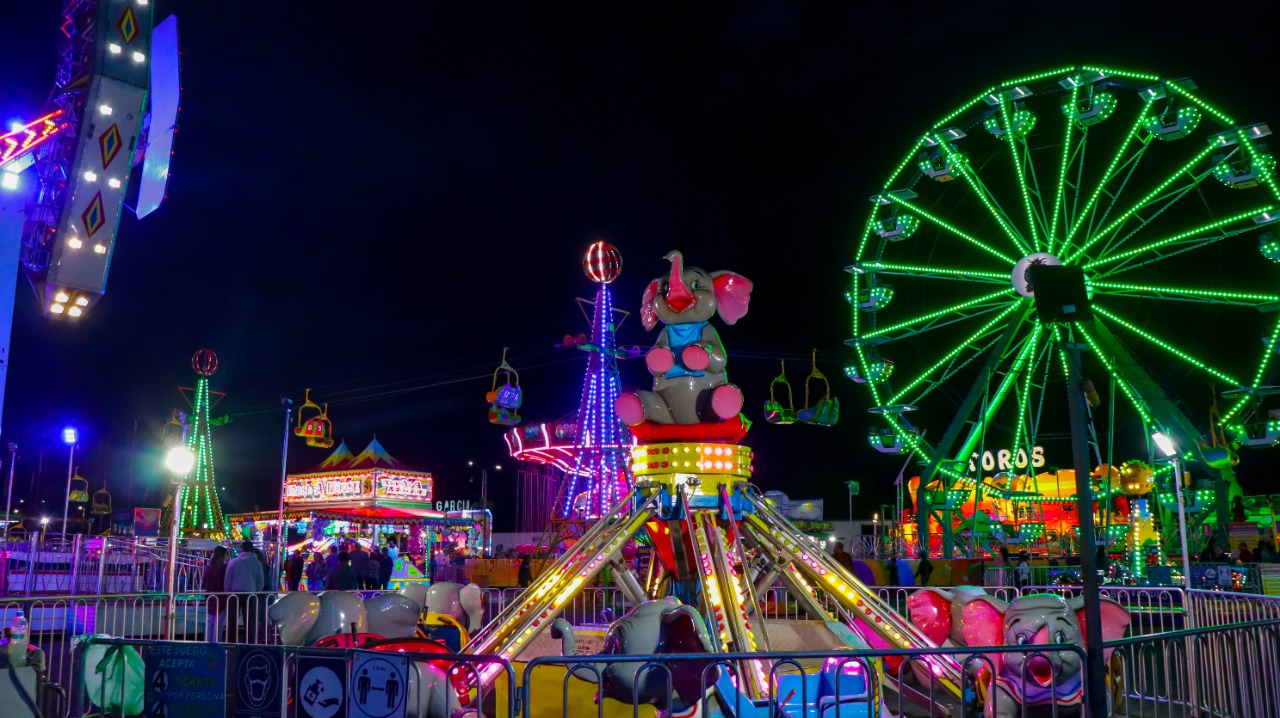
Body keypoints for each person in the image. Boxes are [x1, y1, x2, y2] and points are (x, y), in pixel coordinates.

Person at [225, 541, 265, 642]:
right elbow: (261, 581)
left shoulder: (233, 562)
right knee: (250, 620)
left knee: (232, 620)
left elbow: (227, 579)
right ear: (252, 549)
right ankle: (249, 641)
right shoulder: (257, 563)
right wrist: (256, 592)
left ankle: (232, 641)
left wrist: (227, 592)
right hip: (251, 593)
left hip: (234, 593)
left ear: (241, 549)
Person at [203, 546, 229, 642]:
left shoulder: (209, 567)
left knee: (210, 620)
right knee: (219, 621)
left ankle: (208, 642)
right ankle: (216, 643)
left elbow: (205, 582)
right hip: (221, 596)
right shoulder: (223, 568)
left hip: (210, 595)